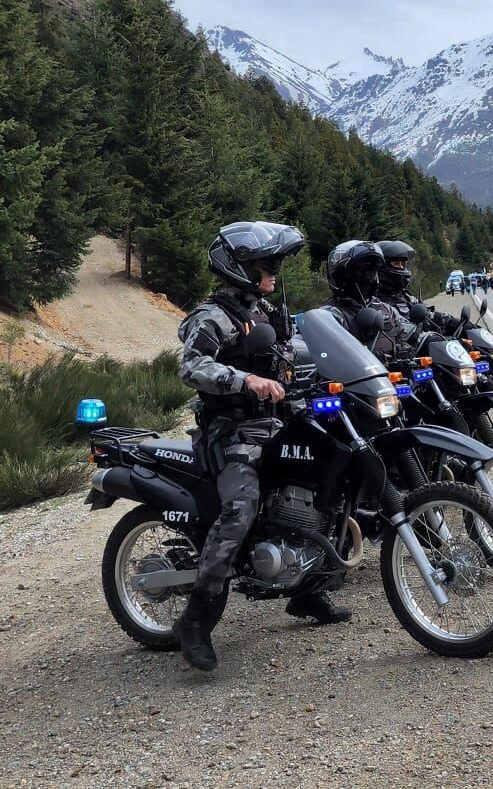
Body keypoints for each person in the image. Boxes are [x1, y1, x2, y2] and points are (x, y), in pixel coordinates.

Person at [173, 221, 350, 672]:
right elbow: (191, 367)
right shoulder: (211, 317)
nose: (273, 271)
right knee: (242, 506)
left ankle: (307, 592)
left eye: (275, 263)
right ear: (238, 267)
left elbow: (296, 354)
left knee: (328, 480)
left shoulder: (268, 312)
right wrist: (244, 379)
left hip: (274, 425)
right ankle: (195, 618)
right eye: (264, 265)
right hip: (229, 432)